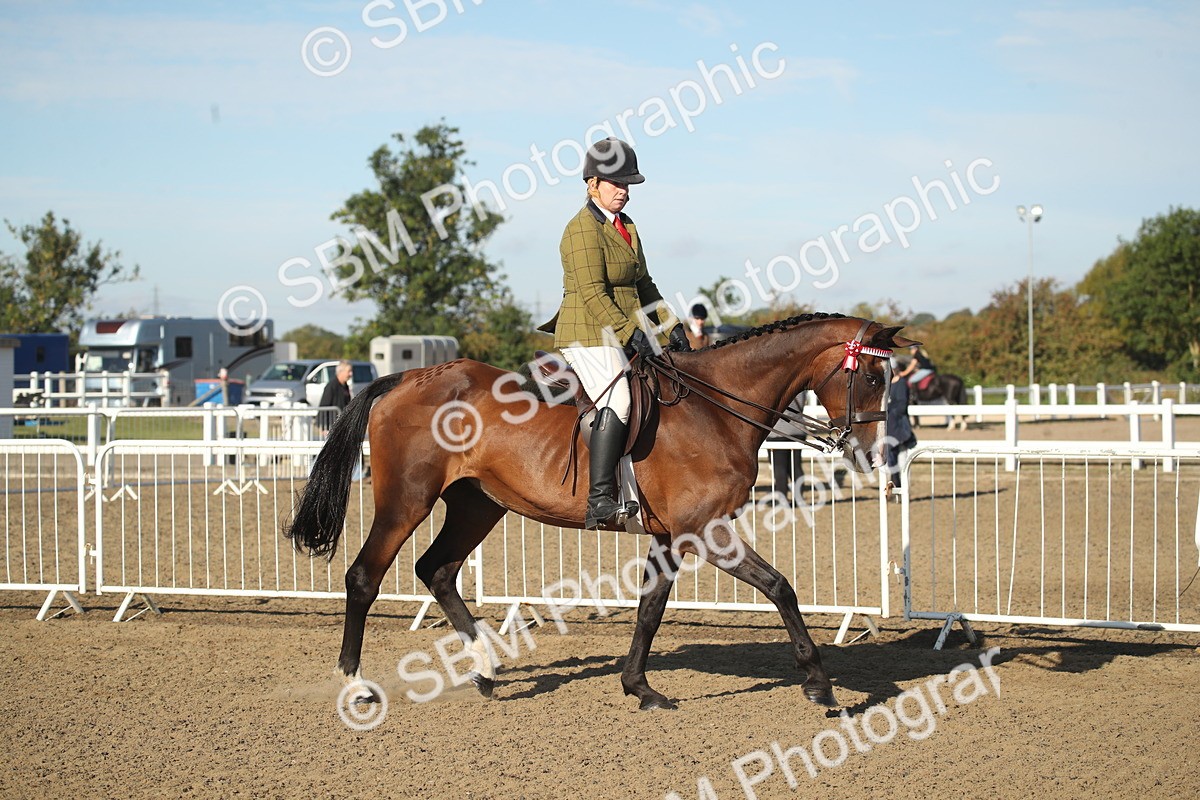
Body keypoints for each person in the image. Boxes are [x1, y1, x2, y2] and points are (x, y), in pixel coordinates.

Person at [537, 137, 690, 529]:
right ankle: (600, 498)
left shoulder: (627, 227)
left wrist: (671, 326)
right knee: (619, 400)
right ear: (593, 184)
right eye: (616, 184)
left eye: (628, 185)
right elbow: (592, 294)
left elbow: (645, 286)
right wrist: (630, 332)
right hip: (586, 333)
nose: (624, 191)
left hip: (620, 330)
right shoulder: (581, 230)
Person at [886, 364, 917, 496]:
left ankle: (904, 489)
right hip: (888, 426)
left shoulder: (901, 383)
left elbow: (902, 405)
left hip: (899, 425)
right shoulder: (885, 383)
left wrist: (889, 410)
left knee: (902, 459)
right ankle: (894, 485)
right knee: (889, 459)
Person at [317, 360, 352, 433]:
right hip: (331, 427)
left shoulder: (345, 386)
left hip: (342, 426)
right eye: (348, 371)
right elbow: (324, 407)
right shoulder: (331, 386)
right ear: (341, 372)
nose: (351, 374)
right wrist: (324, 428)